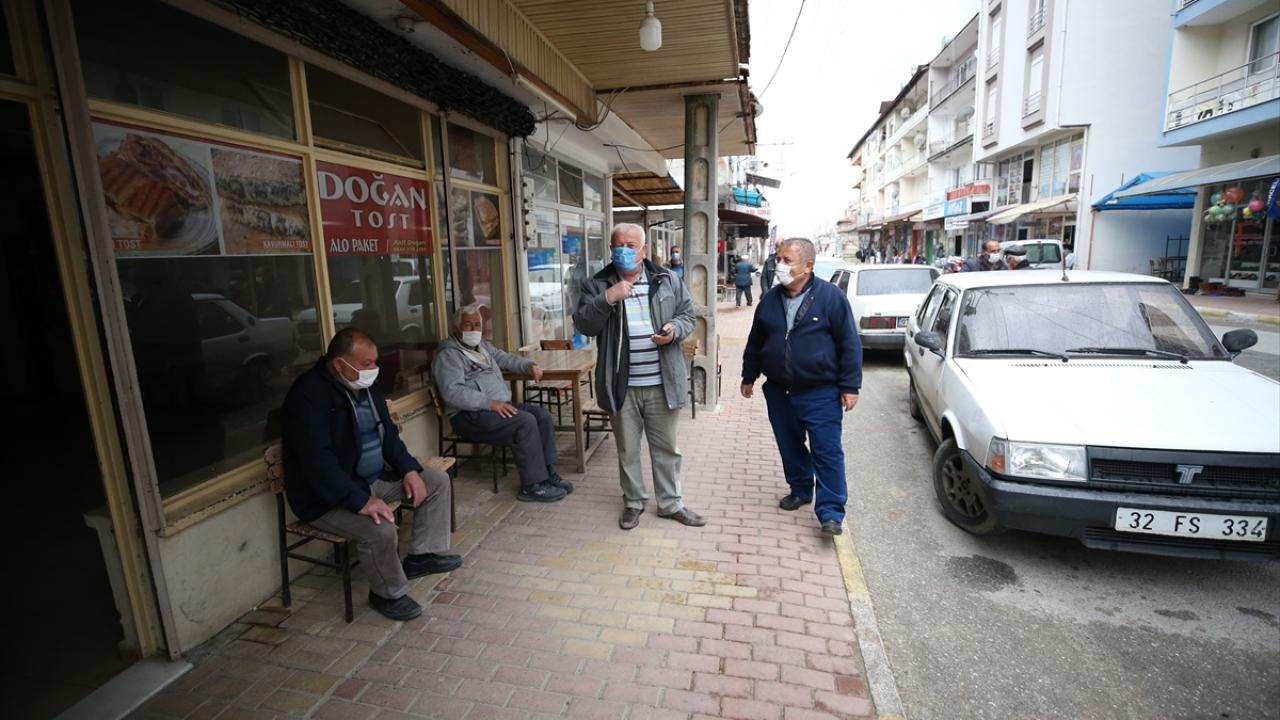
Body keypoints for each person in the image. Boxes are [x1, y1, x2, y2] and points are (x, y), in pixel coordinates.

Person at [281, 327, 459, 621]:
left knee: (436, 481)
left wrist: (410, 470)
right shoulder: (308, 396)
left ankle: (422, 556)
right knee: (379, 529)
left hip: (375, 478)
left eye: (375, 361)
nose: (374, 369)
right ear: (340, 364)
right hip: (326, 496)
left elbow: (388, 437)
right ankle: (386, 594)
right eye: (366, 364)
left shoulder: (367, 387)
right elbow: (317, 462)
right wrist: (360, 501)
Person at [572, 222, 705, 530]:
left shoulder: (667, 278)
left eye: (631, 245)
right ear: (610, 248)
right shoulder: (597, 284)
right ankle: (633, 502)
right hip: (621, 384)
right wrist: (608, 298)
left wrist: (673, 330)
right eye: (618, 244)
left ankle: (671, 504)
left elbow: (687, 315)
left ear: (644, 250)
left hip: (661, 382)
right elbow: (584, 325)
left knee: (667, 449)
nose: (624, 250)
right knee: (627, 449)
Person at [741, 238, 862, 536]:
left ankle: (831, 511)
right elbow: (756, 341)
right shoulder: (770, 299)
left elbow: (849, 344)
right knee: (790, 444)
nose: (779, 265)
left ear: (808, 266)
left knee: (827, 450)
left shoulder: (831, 298)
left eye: (787, 260)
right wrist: (749, 375)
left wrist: (850, 386)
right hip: (779, 391)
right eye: (778, 259)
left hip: (820, 392)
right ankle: (800, 488)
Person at [432, 306, 572, 503]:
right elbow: (452, 393)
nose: (474, 329)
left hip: (496, 408)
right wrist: (489, 403)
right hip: (469, 417)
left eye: (477, 325)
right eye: (468, 325)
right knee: (525, 422)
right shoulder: (449, 355)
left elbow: (505, 358)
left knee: (541, 415)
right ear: (457, 329)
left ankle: (547, 472)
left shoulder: (483, 347)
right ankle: (532, 485)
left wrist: (528, 365)